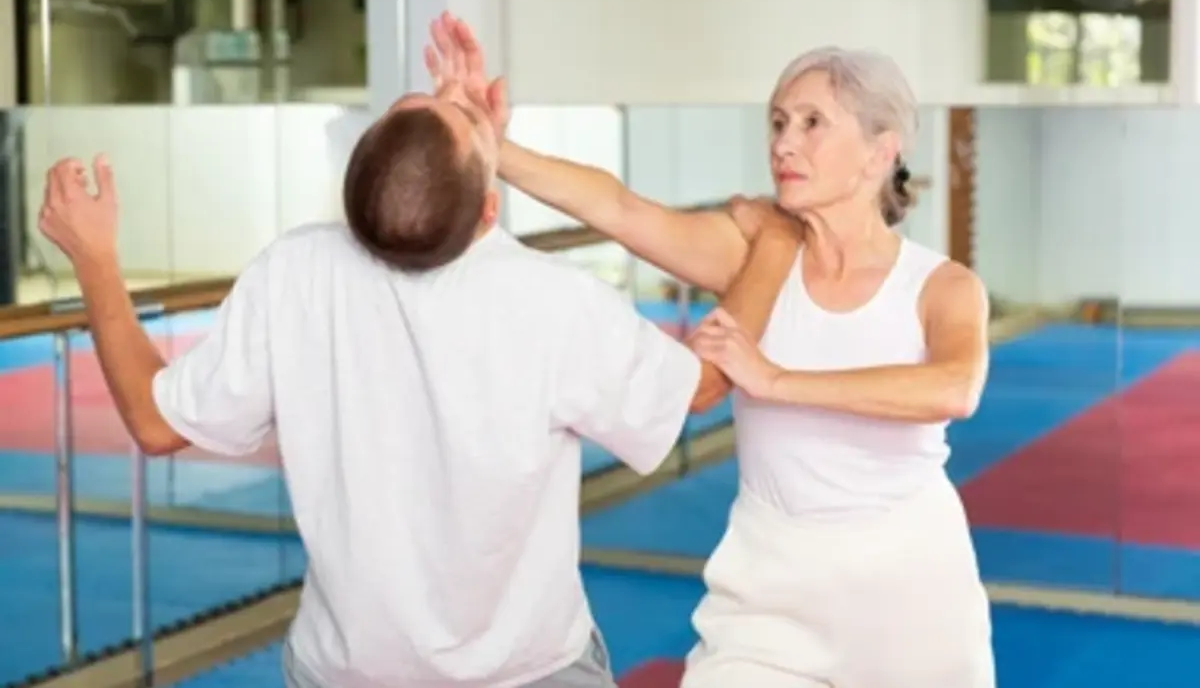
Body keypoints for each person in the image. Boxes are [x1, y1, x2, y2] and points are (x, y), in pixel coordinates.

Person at [34, 66, 798, 685]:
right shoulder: (552, 301)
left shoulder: (295, 273)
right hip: (528, 671)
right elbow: (700, 383)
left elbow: (155, 420)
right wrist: (772, 245)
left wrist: (95, 257)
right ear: (490, 211)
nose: (444, 98)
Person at [427, 15, 994, 687]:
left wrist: (775, 380)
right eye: (778, 122)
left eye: (813, 123)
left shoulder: (942, 287)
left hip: (912, 588)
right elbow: (621, 209)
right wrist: (492, 145)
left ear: (880, 152)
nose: (784, 143)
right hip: (769, 586)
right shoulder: (754, 256)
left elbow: (953, 388)